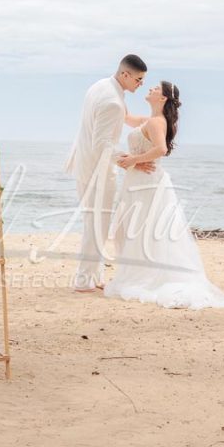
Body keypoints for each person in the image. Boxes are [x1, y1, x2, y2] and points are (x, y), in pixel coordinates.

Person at [103, 81, 224, 309]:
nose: (150, 88)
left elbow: (161, 149)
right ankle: (138, 271)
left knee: (143, 228)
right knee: (132, 228)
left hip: (147, 182)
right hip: (137, 180)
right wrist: (119, 89)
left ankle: (145, 276)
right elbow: (126, 118)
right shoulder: (148, 120)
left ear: (164, 98)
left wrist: (132, 160)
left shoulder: (158, 122)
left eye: (156, 88)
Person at [64, 54, 156, 293]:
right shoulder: (112, 101)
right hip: (96, 170)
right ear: (125, 74)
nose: (140, 84)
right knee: (97, 226)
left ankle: (93, 276)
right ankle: (83, 280)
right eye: (138, 79)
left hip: (84, 163)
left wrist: (159, 119)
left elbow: (126, 119)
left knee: (96, 224)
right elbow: (102, 144)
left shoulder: (102, 86)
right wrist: (134, 161)